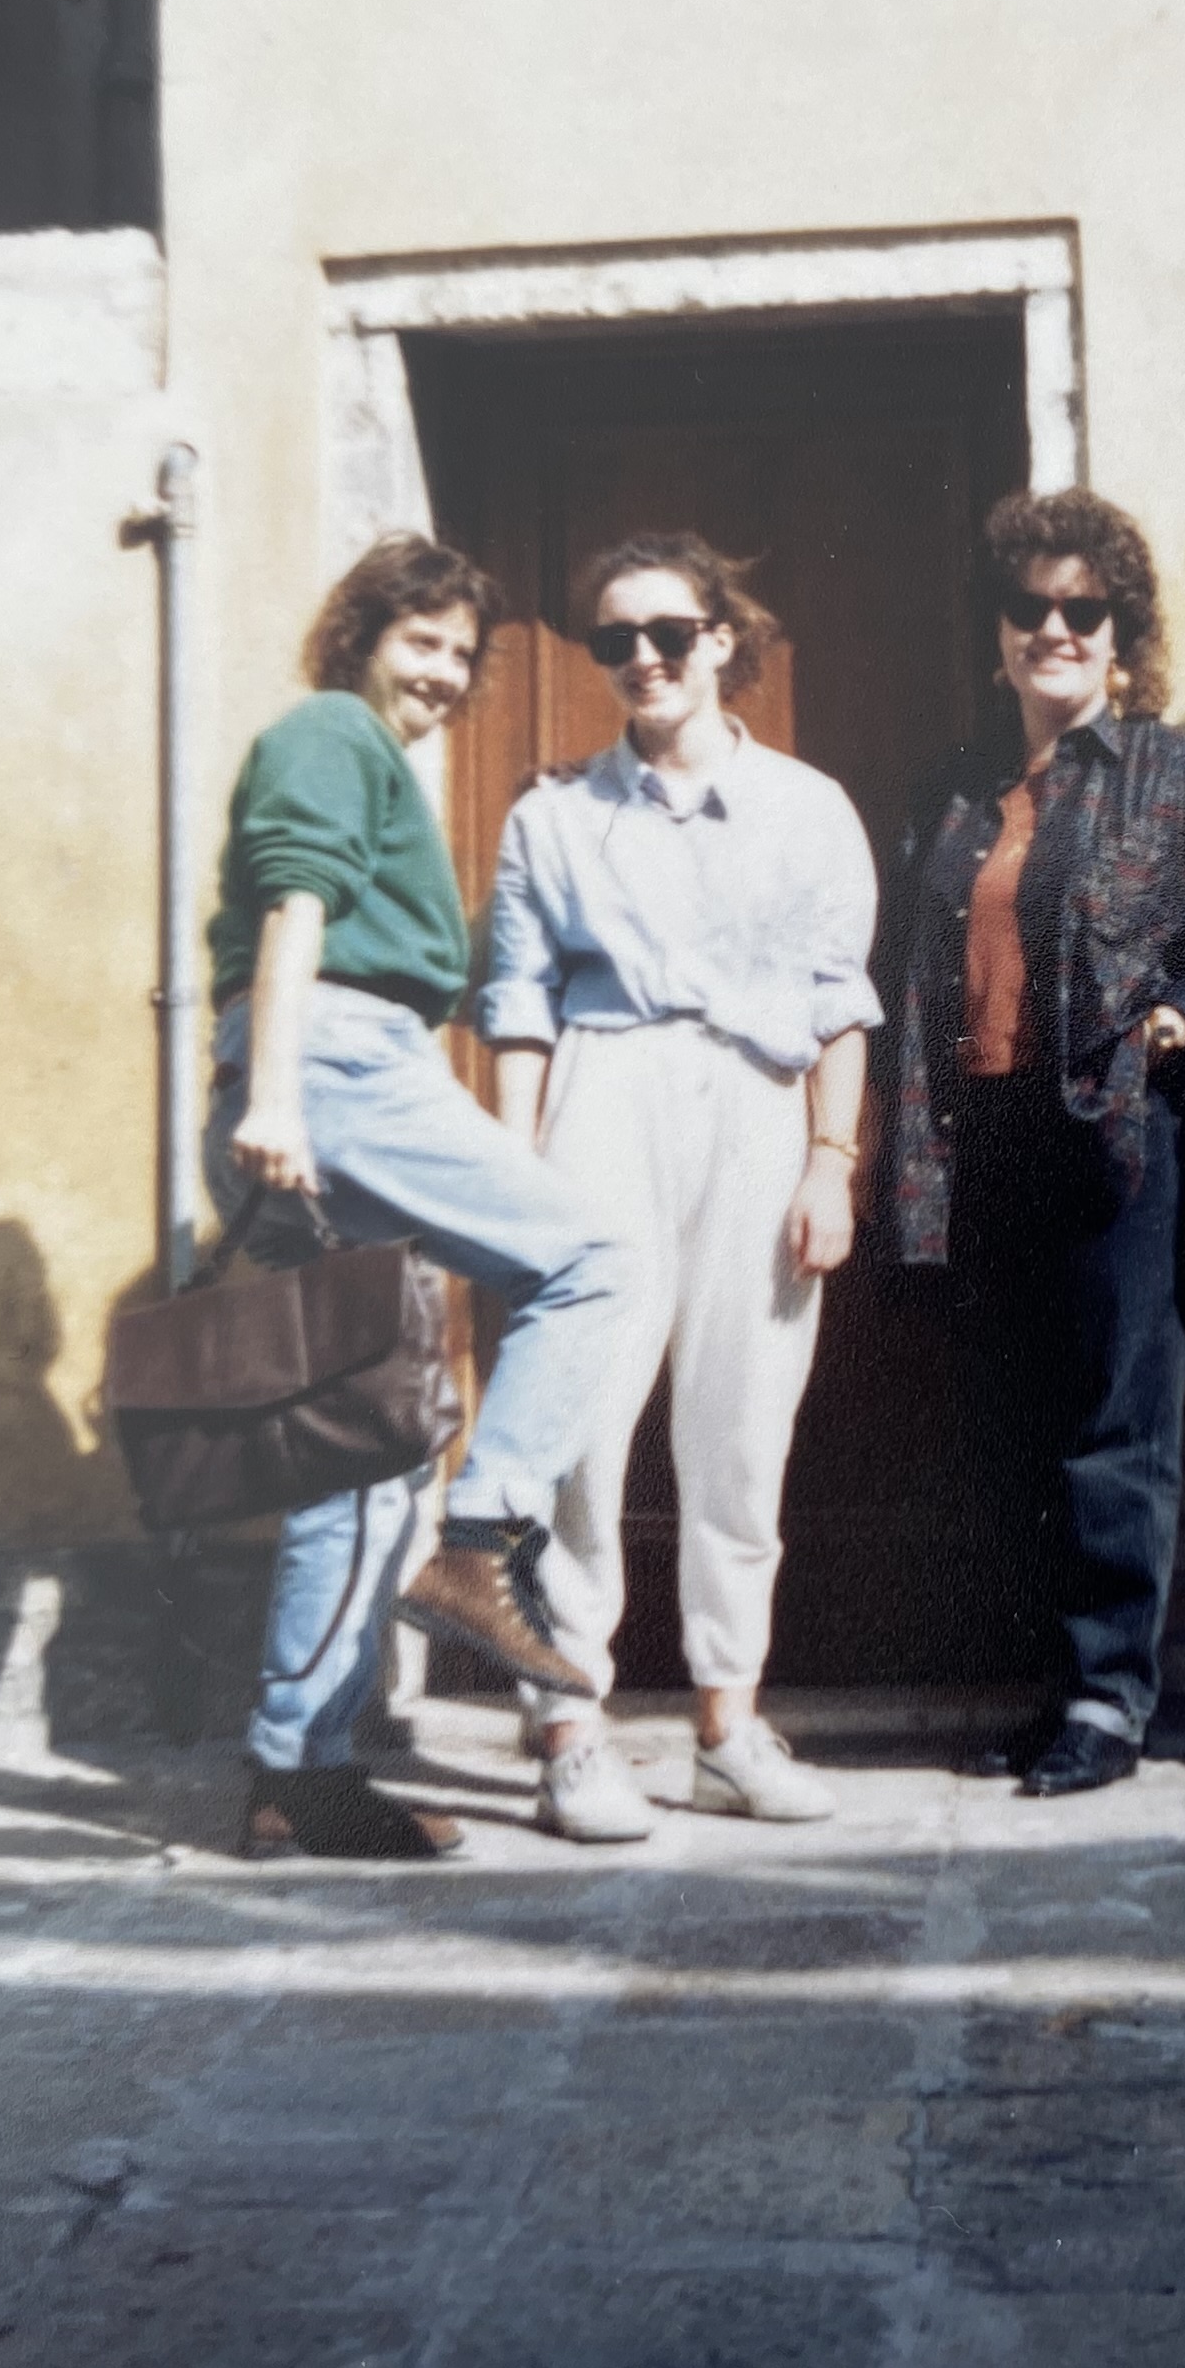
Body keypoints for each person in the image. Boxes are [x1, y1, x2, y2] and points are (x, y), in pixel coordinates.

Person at [207, 532, 636, 1862]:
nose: (446, 672)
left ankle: (298, 1771)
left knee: (365, 1444)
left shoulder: (373, 752)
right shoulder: (332, 730)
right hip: (332, 1057)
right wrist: (276, 1094)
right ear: (362, 638)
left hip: (340, 1059)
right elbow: (293, 907)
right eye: (423, 642)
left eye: (464, 652)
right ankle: (482, 1537)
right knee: (591, 1260)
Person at [478, 533, 880, 1838]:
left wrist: (831, 1161)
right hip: (605, 1099)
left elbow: (839, 1008)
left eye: (665, 632)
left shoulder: (809, 808)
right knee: (581, 1435)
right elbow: (519, 1016)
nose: (640, 659)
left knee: (741, 1431)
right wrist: (517, 1185)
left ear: (721, 638)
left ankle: (724, 1725)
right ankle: (569, 1732)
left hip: (759, 1119)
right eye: (613, 641)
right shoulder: (553, 818)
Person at [886, 492, 1185, 1799]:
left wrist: (1159, 1034)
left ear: (1120, 634)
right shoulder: (955, 793)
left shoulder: (1176, 777)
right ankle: (1048, 1690)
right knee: (1017, 1421)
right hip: (986, 1137)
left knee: (1113, 1421)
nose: (1054, 627)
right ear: (999, 635)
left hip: (1116, 1139)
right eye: (1029, 607)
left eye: (1082, 609)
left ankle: (1108, 1699)